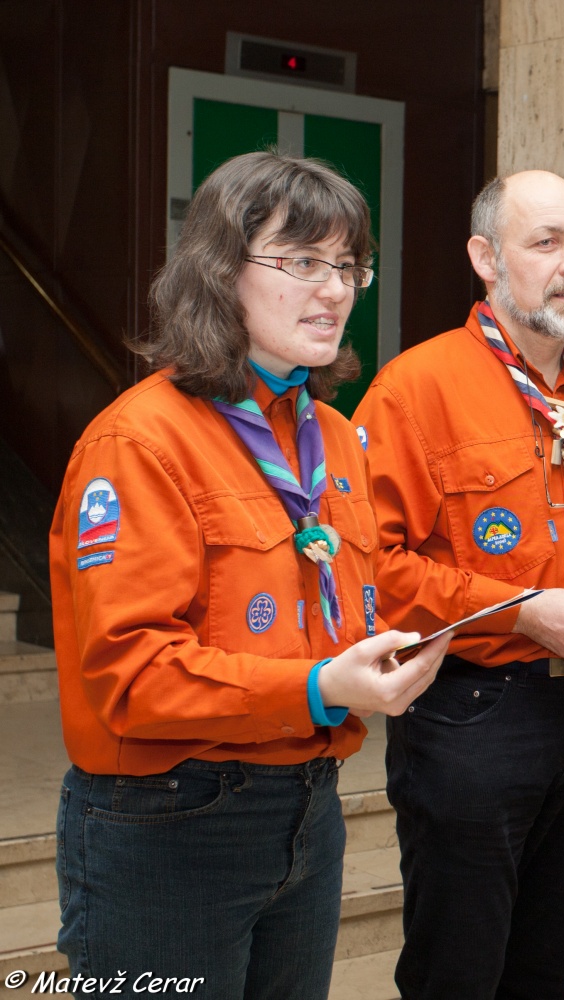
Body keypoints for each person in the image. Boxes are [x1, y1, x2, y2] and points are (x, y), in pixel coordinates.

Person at [48, 151, 450, 999]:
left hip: (310, 808)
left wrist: (375, 664)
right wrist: (316, 685)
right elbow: (133, 675)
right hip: (169, 823)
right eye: (302, 261)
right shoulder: (140, 444)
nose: (335, 289)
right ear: (219, 273)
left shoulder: (336, 439)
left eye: (347, 266)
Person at [353, 169, 564, 999]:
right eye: (547, 242)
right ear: (485, 259)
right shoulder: (415, 391)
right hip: (471, 717)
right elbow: (373, 572)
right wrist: (521, 611)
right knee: (457, 970)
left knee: (545, 966)